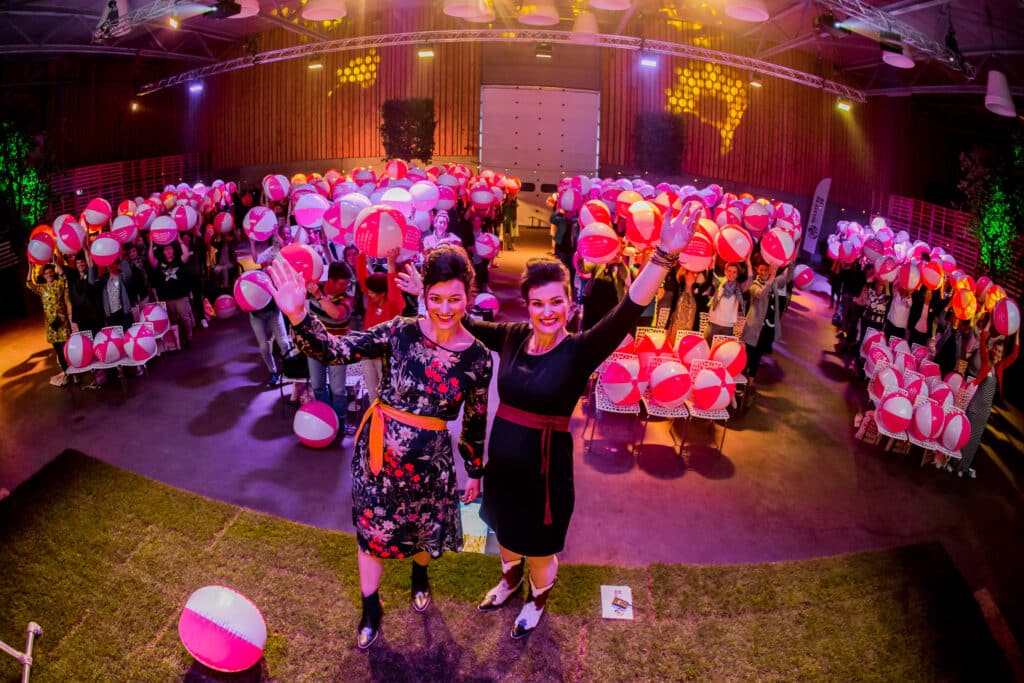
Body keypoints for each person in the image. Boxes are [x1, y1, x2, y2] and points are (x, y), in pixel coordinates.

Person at [399, 210, 696, 639]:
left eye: (557, 302)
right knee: (503, 532)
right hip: (501, 468)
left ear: (570, 304)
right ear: (528, 306)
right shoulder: (515, 335)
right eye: (538, 303)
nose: (547, 312)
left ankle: (537, 600)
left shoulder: (580, 350)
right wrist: (419, 298)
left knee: (538, 549)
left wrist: (664, 254)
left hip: (545, 475)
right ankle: (509, 581)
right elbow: (458, 322)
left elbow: (629, 308)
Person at [268, 246, 493, 650]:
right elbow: (335, 351)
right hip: (378, 459)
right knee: (371, 534)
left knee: (425, 532)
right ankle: (370, 608)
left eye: (455, 298)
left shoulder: (477, 357)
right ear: (424, 295)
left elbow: (476, 417)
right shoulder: (400, 330)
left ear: (468, 297)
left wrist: (474, 470)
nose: (445, 308)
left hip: (432, 465)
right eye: (436, 297)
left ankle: (419, 577)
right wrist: (299, 316)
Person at [954, 325, 1019, 478]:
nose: (997, 353)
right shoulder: (986, 361)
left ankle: (964, 467)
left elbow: (1015, 354)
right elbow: (983, 339)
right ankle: (955, 463)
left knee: (975, 439)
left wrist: (1016, 333)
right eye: (996, 350)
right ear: (992, 350)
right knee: (966, 434)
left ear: (1002, 355)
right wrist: (990, 322)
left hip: (985, 410)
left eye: (1000, 352)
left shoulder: (1001, 367)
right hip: (975, 405)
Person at [304, 261, 355, 428]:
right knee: (318, 386)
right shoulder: (313, 289)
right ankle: (325, 421)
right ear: (330, 281)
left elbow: (337, 314)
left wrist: (319, 296)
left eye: (347, 283)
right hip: (315, 346)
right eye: (341, 283)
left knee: (338, 390)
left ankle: (340, 423)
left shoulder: (347, 296)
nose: (345, 287)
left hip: (338, 348)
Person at [354, 248, 407, 402]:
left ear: (383, 293)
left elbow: (393, 286)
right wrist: (363, 251)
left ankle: (388, 423)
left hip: (386, 357)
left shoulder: (394, 304)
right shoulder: (372, 300)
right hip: (367, 354)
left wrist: (391, 264)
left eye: (371, 292)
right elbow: (361, 274)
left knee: (388, 394)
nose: (367, 294)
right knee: (372, 392)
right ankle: (375, 424)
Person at [25, 260, 72, 387]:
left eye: (51, 272)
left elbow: (63, 276)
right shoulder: (42, 289)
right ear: (44, 276)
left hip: (62, 323)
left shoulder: (59, 285)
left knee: (68, 349)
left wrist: (56, 263)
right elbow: (29, 284)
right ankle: (67, 374)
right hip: (52, 326)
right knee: (59, 351)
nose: (50, 274)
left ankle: (74, 372)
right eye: (47, 273)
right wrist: (30, 267)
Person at [148, 236, 195, 348]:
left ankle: (189, 338)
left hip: (181, 296)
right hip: (167, 298)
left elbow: (186, 255)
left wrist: (179, 240)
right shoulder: (160, 263)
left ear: (173, 250)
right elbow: (151, 259)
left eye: (170, 249)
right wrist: (150, 243)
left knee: (185, 318)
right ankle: (177, 342)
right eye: (166, 250)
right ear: (163, 252)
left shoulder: (179, 260)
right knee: (173, 321)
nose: (168, 251)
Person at [741, 257, 779, 380]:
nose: (763, 273)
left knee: (757, 355)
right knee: (748, 354)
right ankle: (741, 382)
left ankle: (751, 380)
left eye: (766, 271)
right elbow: (761, 294)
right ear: (757, 270)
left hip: (765, 327)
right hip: (753, 326)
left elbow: (786, 278)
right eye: (761, 270)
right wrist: (772, 277)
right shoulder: (754, 285)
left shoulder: (772, 285)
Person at [706, 257, 752, 339]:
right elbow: (711, 273)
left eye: (734, 272)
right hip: (714, 321)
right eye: (729, 271)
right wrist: (714, 256)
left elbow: (749, 281)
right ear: (725, 271)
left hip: (728, 325)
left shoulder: (739, 288)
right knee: (708, 346)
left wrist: (748, 264)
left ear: (737, 274)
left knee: (723, 350)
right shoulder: (718, 282)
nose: (731, 274)